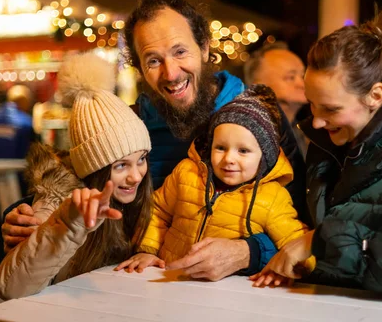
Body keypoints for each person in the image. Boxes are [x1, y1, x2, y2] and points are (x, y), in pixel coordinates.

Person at [1, 0, 307, 281]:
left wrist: (248, 252)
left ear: (204, 47)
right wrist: (26, 213)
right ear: (139, 69)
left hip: (244, 289)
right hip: (144, 281)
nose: (171, 73)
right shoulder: (131, 123)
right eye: (153, 60)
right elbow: (82, 178)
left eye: (180, 52)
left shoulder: (259, 117)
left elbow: (300, 217)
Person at [252, 4, 382, 302]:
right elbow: (294, 225)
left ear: (375, 96)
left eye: (331, 109)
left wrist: (323, 240)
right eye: (312, 104)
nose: (316, 121)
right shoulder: (328, 141)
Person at [0, 52, 154, 299]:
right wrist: (68, 225)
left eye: (141, 159)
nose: (136, 176)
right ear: (94, 168)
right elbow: (10, 288)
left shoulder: (138, 198)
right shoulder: (57, 201)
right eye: (121, 165)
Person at [116, 85, 311, 272]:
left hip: (227, 292)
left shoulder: (273, 198)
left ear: (264, 157)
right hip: (168, 278)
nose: (229, 159)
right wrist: (146, 250)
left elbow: (295, 240)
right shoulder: (186, 173)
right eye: (220, 147)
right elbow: (158, 211)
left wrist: (304, 267)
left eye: (243, 151)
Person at [244, 42, 309, 156]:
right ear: (259, 85)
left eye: (303, 75)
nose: (302, 83)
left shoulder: (300, 132)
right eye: (291, 77)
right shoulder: (249, 134)